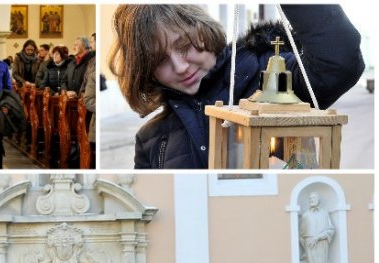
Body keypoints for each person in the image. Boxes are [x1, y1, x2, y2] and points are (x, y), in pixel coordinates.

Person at [108, 5, 364, 169]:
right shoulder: (152, 139)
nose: (180, 67)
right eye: (160, 61)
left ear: (201, 29)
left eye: (184, 46)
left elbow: (339, 63)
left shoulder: (268, 74)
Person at [300, 192, 335, 263]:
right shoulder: (305, 215)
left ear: (318, 199)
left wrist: (317, 237)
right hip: (309, 245)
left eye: (314, 198)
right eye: (310, 198)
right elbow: (301, 235)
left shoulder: (324, 213)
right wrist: (305, 250)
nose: (311, 200)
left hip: (322, 244)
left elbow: (330, 230)